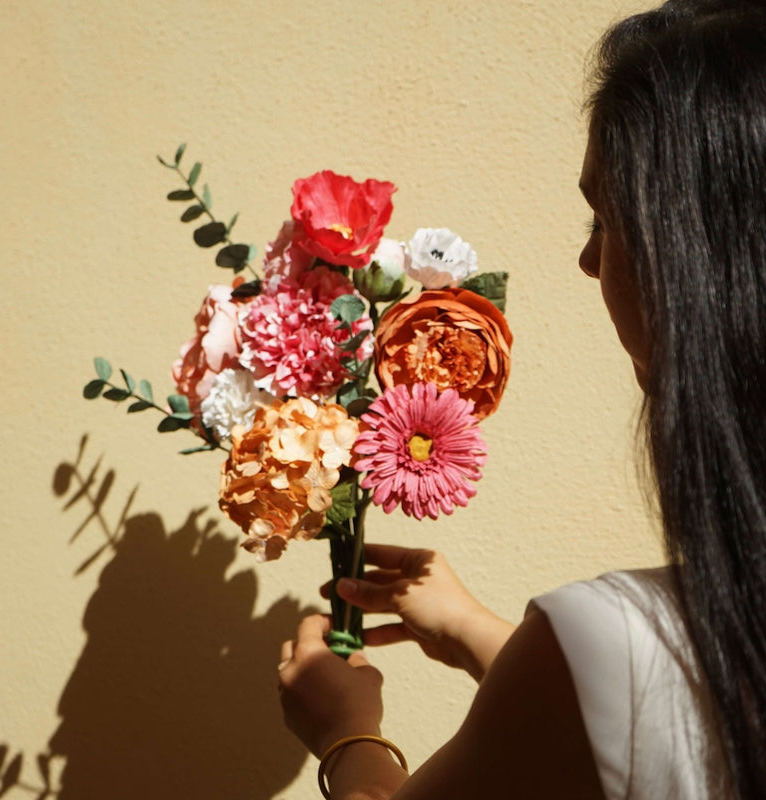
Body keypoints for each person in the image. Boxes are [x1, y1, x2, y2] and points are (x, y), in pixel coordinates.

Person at [277, 1, 766, 797]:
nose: (587, 260)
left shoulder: (616, 648)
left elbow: (628, 701)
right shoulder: (643, 655)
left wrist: (345, 731)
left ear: (694, 257)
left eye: (605, 217)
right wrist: (480, 634)